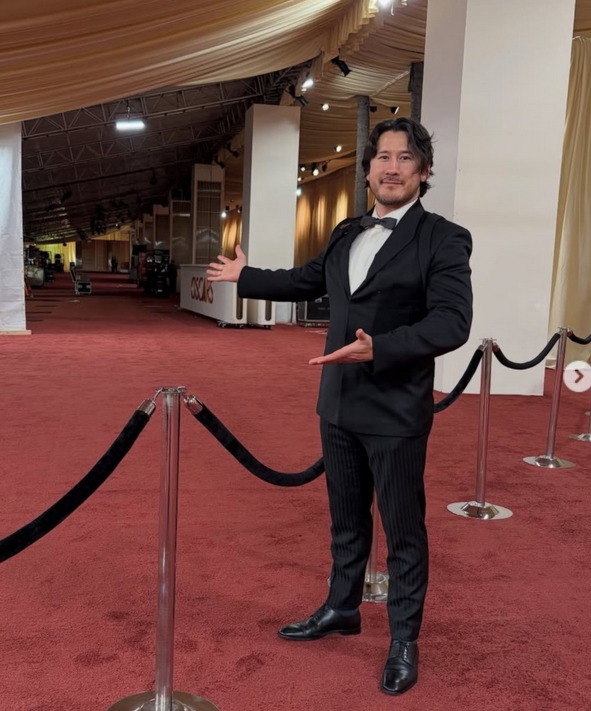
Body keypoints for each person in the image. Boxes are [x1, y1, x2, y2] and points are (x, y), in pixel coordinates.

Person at [207, 117, 473, 696]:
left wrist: (383, 348)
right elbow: (308, 280)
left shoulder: (443, 238)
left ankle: (404, 639)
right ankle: (341, 607)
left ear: (424, 172)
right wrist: (246, 276)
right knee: (346, 520)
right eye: (383, 157)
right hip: (338, 404)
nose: (392, 167)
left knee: (402, 530)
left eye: (405, 158)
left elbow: (453, 322)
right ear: (369, 169)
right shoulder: (347, 230)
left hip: (395, 408)